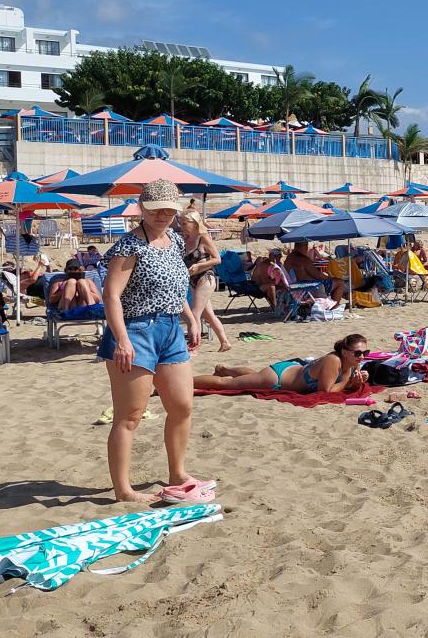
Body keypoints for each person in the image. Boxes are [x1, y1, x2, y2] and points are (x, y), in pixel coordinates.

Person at [96, 180, 209, 504]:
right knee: (130, 415)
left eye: (169, 210)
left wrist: (191, 317)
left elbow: (174, 285)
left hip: (170, 329)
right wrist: (122, 339)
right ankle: (124, 490)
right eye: (155, 209)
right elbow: (111, 296)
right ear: (142, 208)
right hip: (135, 330)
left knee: (182, 405)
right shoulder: (129, 246)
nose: (162, 215)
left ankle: (178, 473)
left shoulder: (174, 239)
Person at [195, 334, 373, 393]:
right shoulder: (333, 361)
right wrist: (347, 383)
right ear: (345, 352)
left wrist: (356, 382)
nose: (362, 356)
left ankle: (224, 369)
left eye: (365, 353)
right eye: (358, 353)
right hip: (277, 379)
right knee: (225, 385)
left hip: (288, 372)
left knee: (255, 375)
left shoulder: (353, 362)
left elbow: (344, 385)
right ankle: (185, 384)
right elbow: (325, 391)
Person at [179, 211, 231, 352]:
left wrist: (198, 266)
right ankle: (225, 342)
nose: (181, 226)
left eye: (184, 223)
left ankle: (194, 346)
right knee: (208, 315)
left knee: (195, 314)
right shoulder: (184, 239)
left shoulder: (203, 238)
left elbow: (217, 259)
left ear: (195, 223)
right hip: (193, 280)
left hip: (206, 277)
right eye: (181, 223)